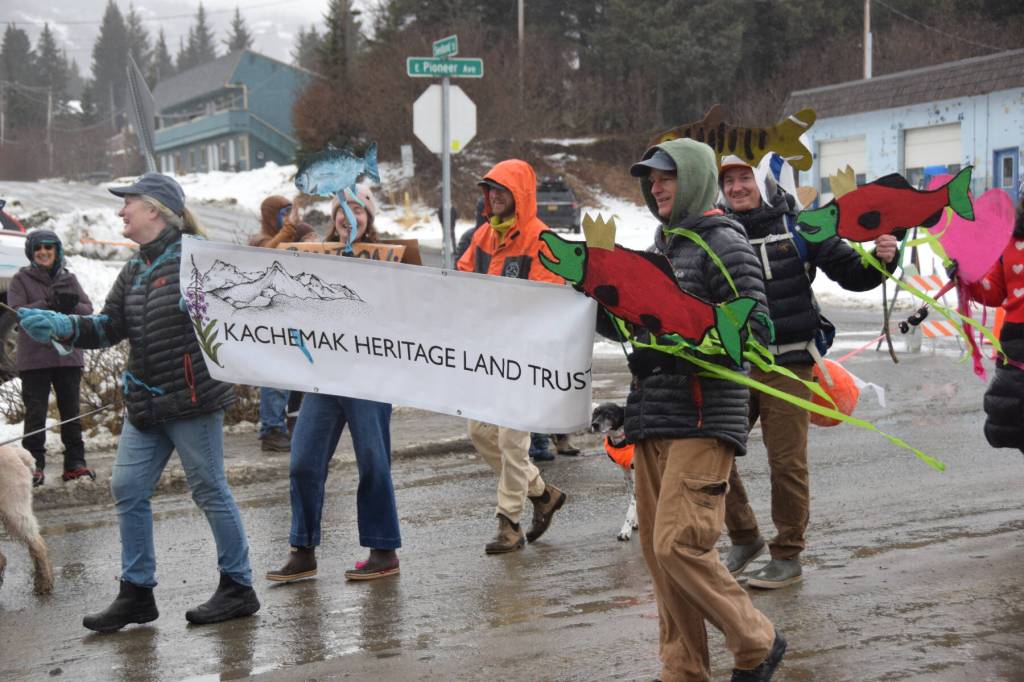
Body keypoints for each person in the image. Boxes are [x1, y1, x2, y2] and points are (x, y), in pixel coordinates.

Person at [17, 172, 259, 632]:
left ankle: (238, 587)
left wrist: (207, 304)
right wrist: (63, 325)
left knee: (209, 490)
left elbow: (241, 311)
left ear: (153, 209)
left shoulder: (196, 258)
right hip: (145, 405)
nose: (119, 212)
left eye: (127, 203)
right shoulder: (136, 267)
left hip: (191, 399)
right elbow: (108, 327)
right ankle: (137, 593)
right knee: (127, 489)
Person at [600, 139, 785, 681]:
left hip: (704, 418)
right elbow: (640, 326)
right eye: (650, 178)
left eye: (667, 177)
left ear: (697, 180)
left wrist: (686, 343)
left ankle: (757, 640)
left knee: (679, 544)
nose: (656, 186)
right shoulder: (665, 246)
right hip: (654, 417)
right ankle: (682, 668)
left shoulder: (725, 243)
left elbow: (755, 334)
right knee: (660, 560)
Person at [717, 155, 900, 590]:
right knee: (712, 451)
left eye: (745, 178)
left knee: (786, 465)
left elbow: (853, 275)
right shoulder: (716, 232)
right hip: (736, 364)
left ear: (764, 181)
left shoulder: (802, 226)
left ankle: (787, 554)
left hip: (789, 361)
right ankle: (744, 536)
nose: (737, 187)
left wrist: (882, 259)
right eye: (728, 181)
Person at [266, 184, 403, 582]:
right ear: (333, 216)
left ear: (369, 217)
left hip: (370, 379)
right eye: (342, 209)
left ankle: (383, 549)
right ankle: (302, 549)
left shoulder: (391, 259)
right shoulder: (314, 256)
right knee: (303, 461)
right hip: (324, 378)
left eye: (358, 209)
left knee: (374, 463)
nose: (349, 216)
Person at [455, 159, 569, 554]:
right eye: (490, 190)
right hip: (488, 356)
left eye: (502, 189)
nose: (495, 196)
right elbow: (461, 280)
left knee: (512, 442)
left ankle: (509, 524)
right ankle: (542, 493)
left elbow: (547, 299)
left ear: (519, 193)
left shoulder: (541, 238)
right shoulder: (482, 237)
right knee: (480, 432)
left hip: (525, 360)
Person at [7, 229, 94, 486]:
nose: (43, 252)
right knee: (36, 414)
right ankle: (33, 465)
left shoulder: (70, 278)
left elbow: (87, 309)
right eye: (38, 248)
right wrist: (48, 302)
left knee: (71, 412)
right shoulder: (20, 279)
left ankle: (75, 463)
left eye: (48, 247)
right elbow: (16, 313)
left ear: (57, 251)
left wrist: (69, 305)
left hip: (68, 357)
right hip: (35, 359)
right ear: (31, 253)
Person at [250, 195, 318, 452]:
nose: (287, 218)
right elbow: (269, 252)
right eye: (282, 213)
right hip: (270, 316)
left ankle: (291, 423)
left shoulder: (291, 235)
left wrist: (308, 236)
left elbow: (308, 239)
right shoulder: (259, 240)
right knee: (275, 374)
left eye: (290, 212)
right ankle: (271, 429)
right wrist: (289, 230)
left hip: (294, 313)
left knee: (299, 370)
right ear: (270, 215)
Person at [961, 186, 1024, 453]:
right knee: (1018, 424)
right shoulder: (1010, 239)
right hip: (1018, 343)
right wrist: (966, 276)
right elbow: (994, 292)